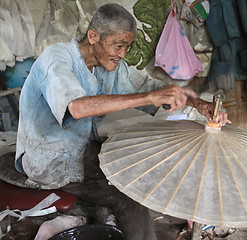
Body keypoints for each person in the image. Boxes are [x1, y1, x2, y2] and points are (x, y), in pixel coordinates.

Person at [14, 3, 230, 240]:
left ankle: (104, 222)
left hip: (81, 150)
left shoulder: (109, 67)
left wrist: (198, 103)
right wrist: (149, 97)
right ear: (93, 36)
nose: (123, 54)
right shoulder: (56, 58)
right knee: (129, 198)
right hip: (49, 160)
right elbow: (77, 107)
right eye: (118, 46)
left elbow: (152, 87)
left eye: (127, 47)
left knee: (138, 166)